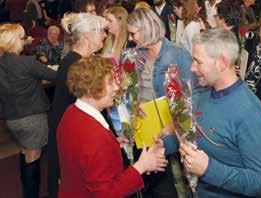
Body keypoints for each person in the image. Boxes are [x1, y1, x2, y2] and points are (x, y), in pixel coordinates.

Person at [179, 28, 261, 197]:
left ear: (222, 63)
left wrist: (208, 169)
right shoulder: (204, 91)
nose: (192, 68)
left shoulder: (251, 115)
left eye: (198, 62)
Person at [57, 55, 168, 197]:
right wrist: (141, 166)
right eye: (110, 82)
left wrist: (112, 145)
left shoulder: (71, 112)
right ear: (92, 89)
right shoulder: (96, 137)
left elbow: (82, 156)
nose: (117, 87)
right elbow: (106, 194)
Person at [127, 8, 193, 197]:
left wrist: (175, 124)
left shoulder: (177, 54)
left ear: (146, 29)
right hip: (147, 130)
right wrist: (135, 103)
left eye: (133, 33)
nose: (131, 38)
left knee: (177, 185)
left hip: (172, 131)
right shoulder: (137, 55)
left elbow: (192, 97)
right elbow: (134, 88)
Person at [47, 13, 108, 198]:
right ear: (88, 35)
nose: (105, 35)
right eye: (101, 31)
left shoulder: (74, 60)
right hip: (70, 138)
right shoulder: (77, 64)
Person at [0, 23, 56, 198]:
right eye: (23, 37)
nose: (26, 40)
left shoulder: (2, 63)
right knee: (34, 157)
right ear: (15, 41)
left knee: (25, 153)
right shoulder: (27, 62)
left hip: (12, 119)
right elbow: (54, 75)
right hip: (32, 118)